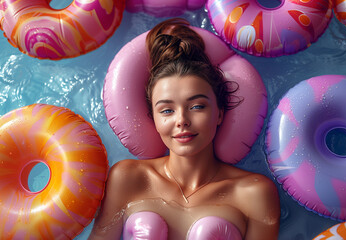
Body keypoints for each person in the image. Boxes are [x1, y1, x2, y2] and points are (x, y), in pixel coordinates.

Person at [89, 18, 280, 240]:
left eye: (197, 106)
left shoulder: (253, 193)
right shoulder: (128, 178)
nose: (182, 120)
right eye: (167, 111)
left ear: (218, 113)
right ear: (154, 118)